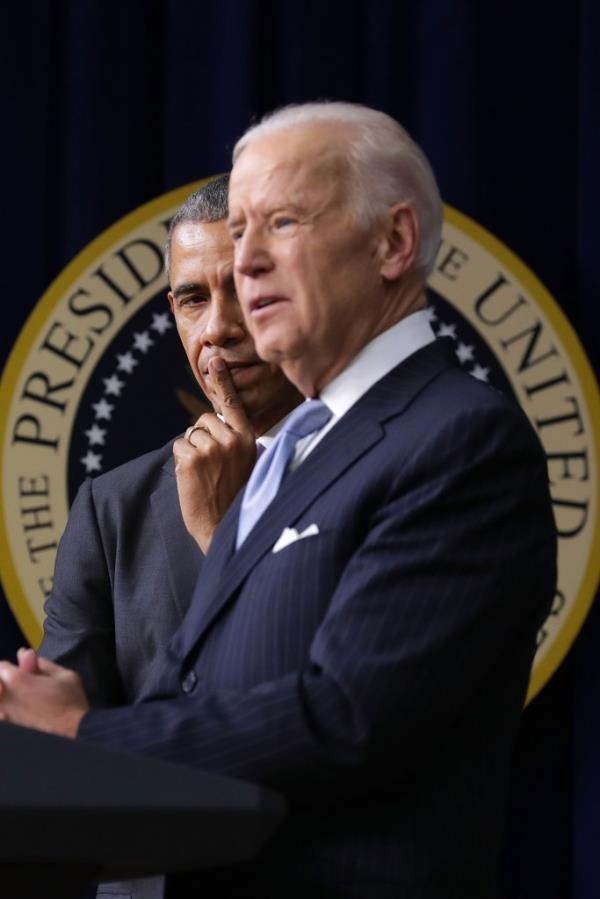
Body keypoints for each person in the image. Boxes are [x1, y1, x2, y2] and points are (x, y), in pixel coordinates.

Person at [0, 103, 556, 899]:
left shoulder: (459, 440)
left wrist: (83, 732)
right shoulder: (298, 452)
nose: (249, 263)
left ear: (393, 243)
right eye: (239, 231)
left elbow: (348, 717)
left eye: (281, 223)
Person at [39, 173, 301, 706]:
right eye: (193, 300)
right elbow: (62, 745)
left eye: (248, 290)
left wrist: (231, 534)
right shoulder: (110, 510)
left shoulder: (394, 469)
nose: (218, 327)